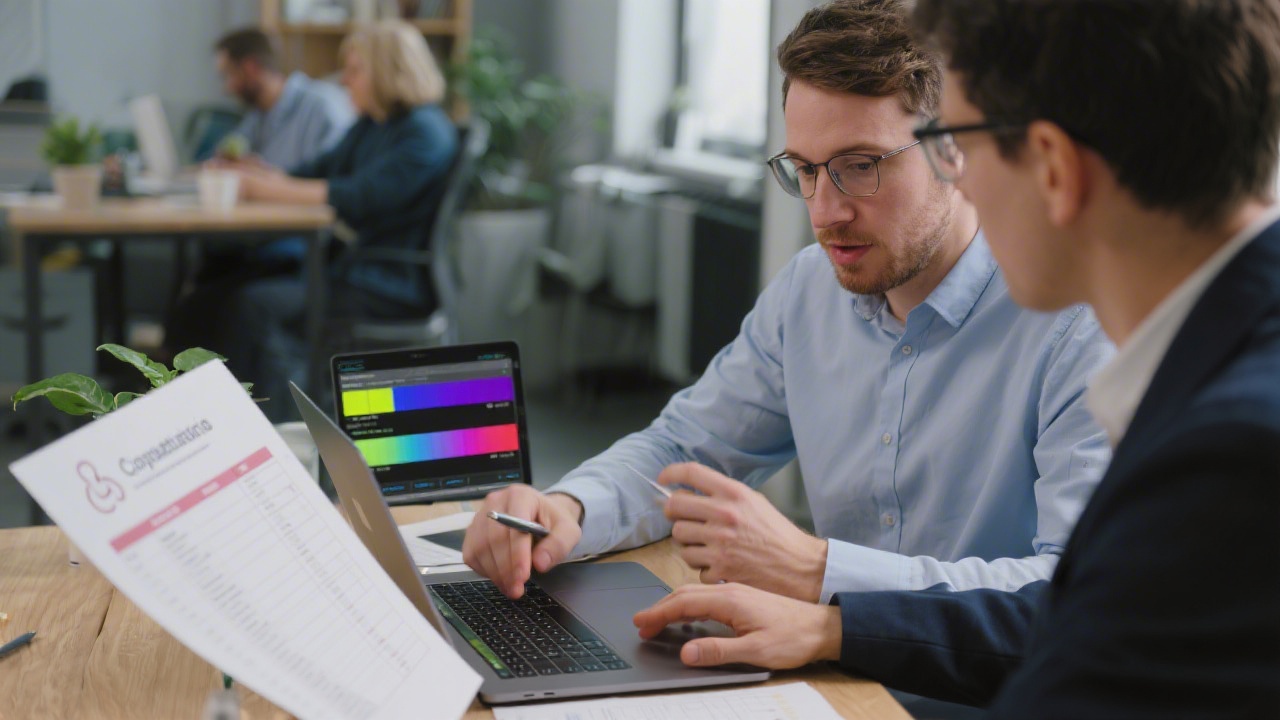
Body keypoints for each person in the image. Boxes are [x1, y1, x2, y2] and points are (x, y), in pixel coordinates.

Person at [632, 0, 1280, 716]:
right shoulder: (1222, 368)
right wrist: (837, 627)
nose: (959, 178)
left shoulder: (1232, 447)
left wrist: (827, 603)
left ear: (1055, 168)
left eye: (956, 140)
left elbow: (1075, 661)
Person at [463, 0, 1114, 610]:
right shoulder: (809, 291)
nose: (824, 212)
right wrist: (570, 508)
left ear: (954, 150)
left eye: (861, 165)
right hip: (829, 669)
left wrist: (818, 569)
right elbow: (686, 446)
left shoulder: (1071, 322)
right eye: (804, 169)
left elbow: (1071, 590)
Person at [166, 20, 458, 421]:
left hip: (388, 285)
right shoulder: (373, 125)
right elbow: (311, 172)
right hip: (352, 271)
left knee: (253, 307)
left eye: (355, 71)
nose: (346, 83)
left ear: (386, 72)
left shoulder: (424, 133)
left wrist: (258, 187)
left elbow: (355, 197)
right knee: (215, 296)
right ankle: (214, 423)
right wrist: (258, 173)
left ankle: (277, 437)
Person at [210, 28, 354, 169]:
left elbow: (333, 179)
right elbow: (224, 158)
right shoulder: (257, 117)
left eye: (228, 75)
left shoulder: (323, 106)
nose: (227, 89)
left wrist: (264, 176)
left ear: (250, 68)